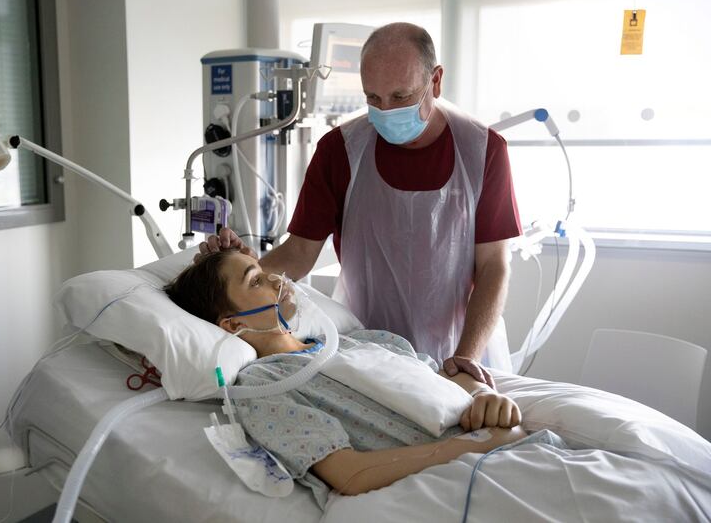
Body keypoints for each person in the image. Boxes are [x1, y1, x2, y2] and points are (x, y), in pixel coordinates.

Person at [199, 22, 522, 388]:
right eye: (373, 98)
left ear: (435, 81)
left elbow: (494, 265)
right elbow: (300, 253)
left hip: (463, 348)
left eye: (400, 97)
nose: (385, 111)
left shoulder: (482, 150)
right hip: (368, 347)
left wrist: (466, 357)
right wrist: (238, 271)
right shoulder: (341, 150)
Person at [167, 250, 526, 505]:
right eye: (256, 280)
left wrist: (487, 398)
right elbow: (350, 474)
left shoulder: (363, 341)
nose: (277, 279)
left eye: (264, 269)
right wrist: (475, 445)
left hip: (514, 451)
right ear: (233, 324)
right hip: (468, 478)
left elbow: (444, 377)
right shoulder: (264, 386)